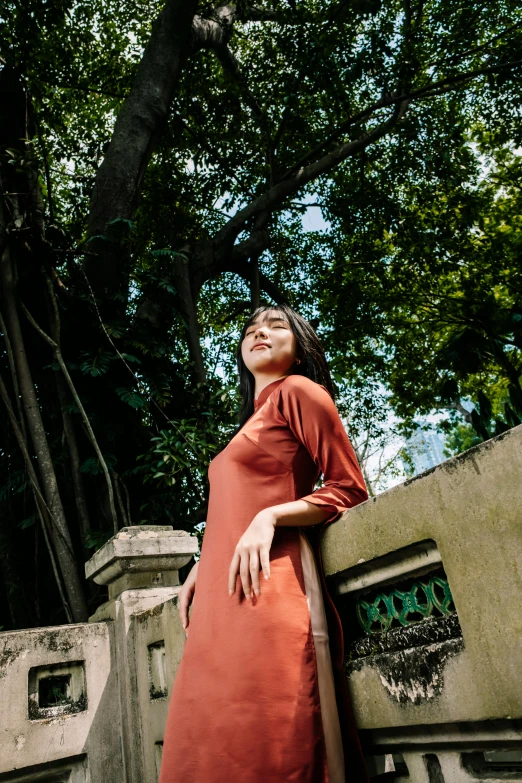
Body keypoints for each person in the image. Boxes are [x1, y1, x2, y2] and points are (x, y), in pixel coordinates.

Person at [159, 304, 369, 783]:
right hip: (221, 595)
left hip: (271, 588)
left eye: (277, 327)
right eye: (251, 330)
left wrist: (270, 515)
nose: (261, 333)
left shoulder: (298, 391)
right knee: (212, 739)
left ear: (299, 350)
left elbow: (348, 486)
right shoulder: (249, 425)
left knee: (273, 737)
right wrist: (202, 564)